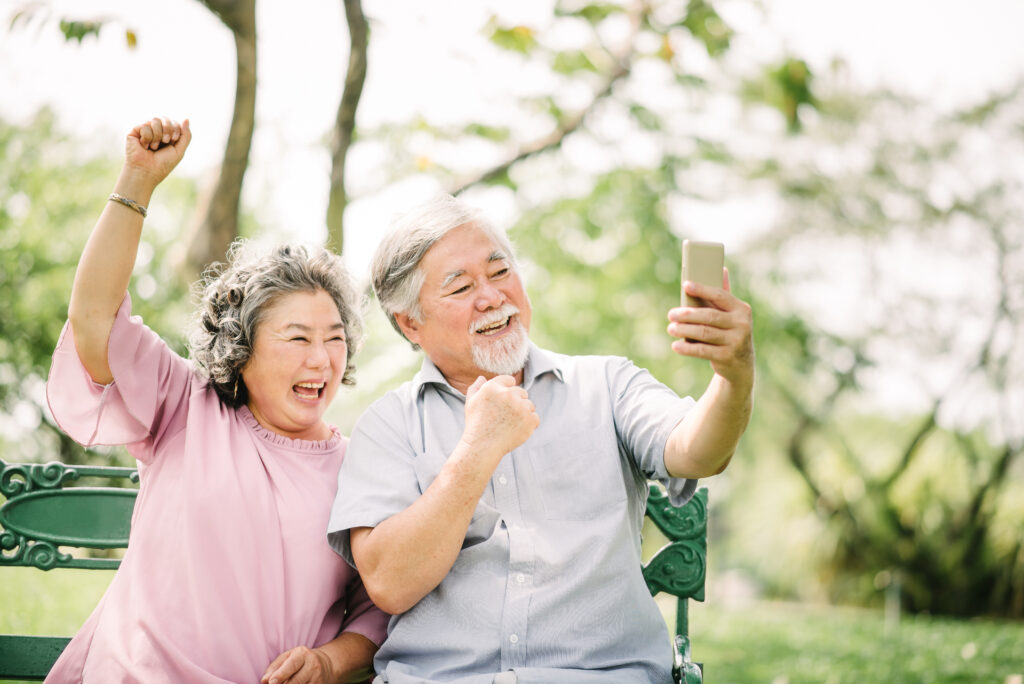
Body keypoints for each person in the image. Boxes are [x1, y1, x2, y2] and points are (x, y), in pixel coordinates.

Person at [326, 195, 755, 683]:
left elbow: (697, 450)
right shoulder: (389, 423)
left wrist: (733, 376)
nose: (490, 296)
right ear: (410, 324)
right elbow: (389, 582)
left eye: (500, 270)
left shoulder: (607, 385)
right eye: (461, 286)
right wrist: (477, 450)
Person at [44, 116, 388, 684]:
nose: (322, 358)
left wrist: (329, 661)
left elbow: (374, 609)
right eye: (298, 338)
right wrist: (136, 184)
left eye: (334, 338)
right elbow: (94, 320)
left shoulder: (360, 466)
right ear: (241, 347)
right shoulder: (184, 406)